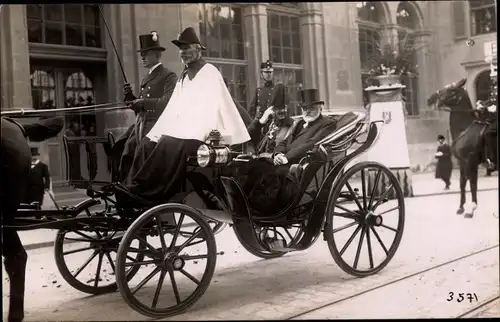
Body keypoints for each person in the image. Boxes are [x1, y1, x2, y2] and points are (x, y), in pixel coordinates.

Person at [120, 27, 250, 202]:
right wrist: (157, 132)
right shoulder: (184, 76)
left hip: (202, 134)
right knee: (147, 142)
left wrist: (180, 130)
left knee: (167, 143)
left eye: (187, 48)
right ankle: (132, 187)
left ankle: (148, 192)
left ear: (198, 49)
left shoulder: (209, 72)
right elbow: (173, 108)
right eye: (181, 49)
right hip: (184, 131)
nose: (183, 53)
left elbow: (208, 110)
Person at [242, 88, 338, 214]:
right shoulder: (299, 123)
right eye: (305, 108)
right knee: (253, 166)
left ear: (320, 108)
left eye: (312, 108)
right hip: (284, 158)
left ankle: (268, 208)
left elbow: (312, 143)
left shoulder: (327, 123)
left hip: (302, 162)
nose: (308, 111)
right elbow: (284, 142)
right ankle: (249, 204)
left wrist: (287, 157)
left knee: (273, 172)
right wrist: (278, 154)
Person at [113, 31, 178, 181]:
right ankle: (123, 182)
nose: (142, 57)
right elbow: (140, 107)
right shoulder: (146, 78)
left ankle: (137, 185)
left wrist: (143, 103)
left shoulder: (168, 76)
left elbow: (167, 102)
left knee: (142, 148)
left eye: (146, 53)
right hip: (142, 123)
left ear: (157, 55)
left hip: (158, 124)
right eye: (142, 54)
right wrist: (131, 99)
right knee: (122, 145)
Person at [247, 82, 294, 154]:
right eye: (278, 108)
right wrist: (260, 122)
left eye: (284, 108)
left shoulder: (292, 126)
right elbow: (248, 138)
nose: (282, 111)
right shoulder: (267, 124)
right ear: (272, 109)